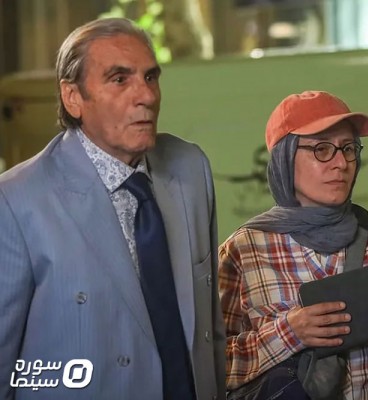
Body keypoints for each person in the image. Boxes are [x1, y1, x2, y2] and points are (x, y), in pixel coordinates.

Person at [0, 18, 225, 400]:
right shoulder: (17, 200)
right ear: (73, 97)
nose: (147, 96)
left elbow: (210, 330)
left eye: (150, 77)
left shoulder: (191, 169)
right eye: (120, 79)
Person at [218, 90, 368, 400]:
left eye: (348, 148)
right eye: (322, 149)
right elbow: (215, 369)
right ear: (285, 159)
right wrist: (290, 332)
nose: (341, 163)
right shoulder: (244, 250)